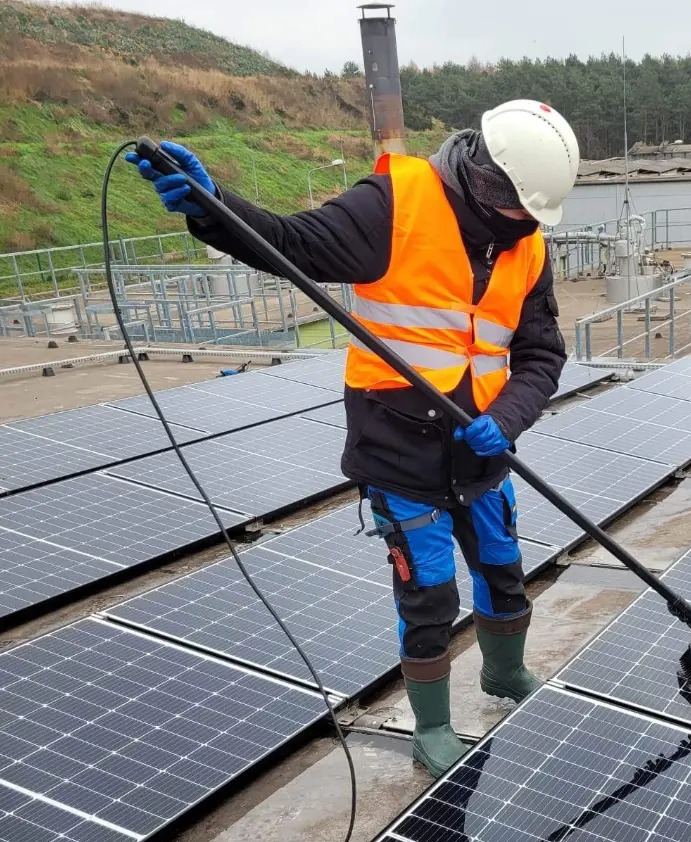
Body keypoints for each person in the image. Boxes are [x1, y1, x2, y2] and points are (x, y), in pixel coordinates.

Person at [127, 100, 580, 780]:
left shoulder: (529, 245)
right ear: (488, 182)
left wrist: (511, 417)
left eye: (532, 216)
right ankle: (431, 725)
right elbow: (292, 243)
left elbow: (542, 354)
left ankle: (504, 675)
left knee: (503, 569)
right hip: (400, 451)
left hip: (484, 452)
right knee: (429, 595)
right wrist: (212, 204)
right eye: (517, 209)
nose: (524, 224)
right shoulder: (395, 204)